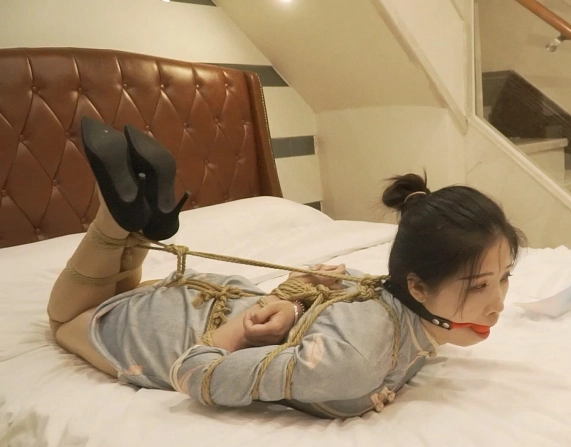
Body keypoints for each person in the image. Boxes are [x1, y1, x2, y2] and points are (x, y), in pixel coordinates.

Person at [48, 117, 525, 418]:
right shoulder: (352, 363)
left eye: (504, 277)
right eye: (478, 285)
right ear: (417, 286)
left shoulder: (384, 295)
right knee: (62, 321)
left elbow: (316, 303)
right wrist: (246, 326)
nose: (499, 305)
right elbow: (193, 373)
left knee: (116, 293)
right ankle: (117, 220)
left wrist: (289, 299)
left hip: (207, 297)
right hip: (166, 333)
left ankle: (134, 220)